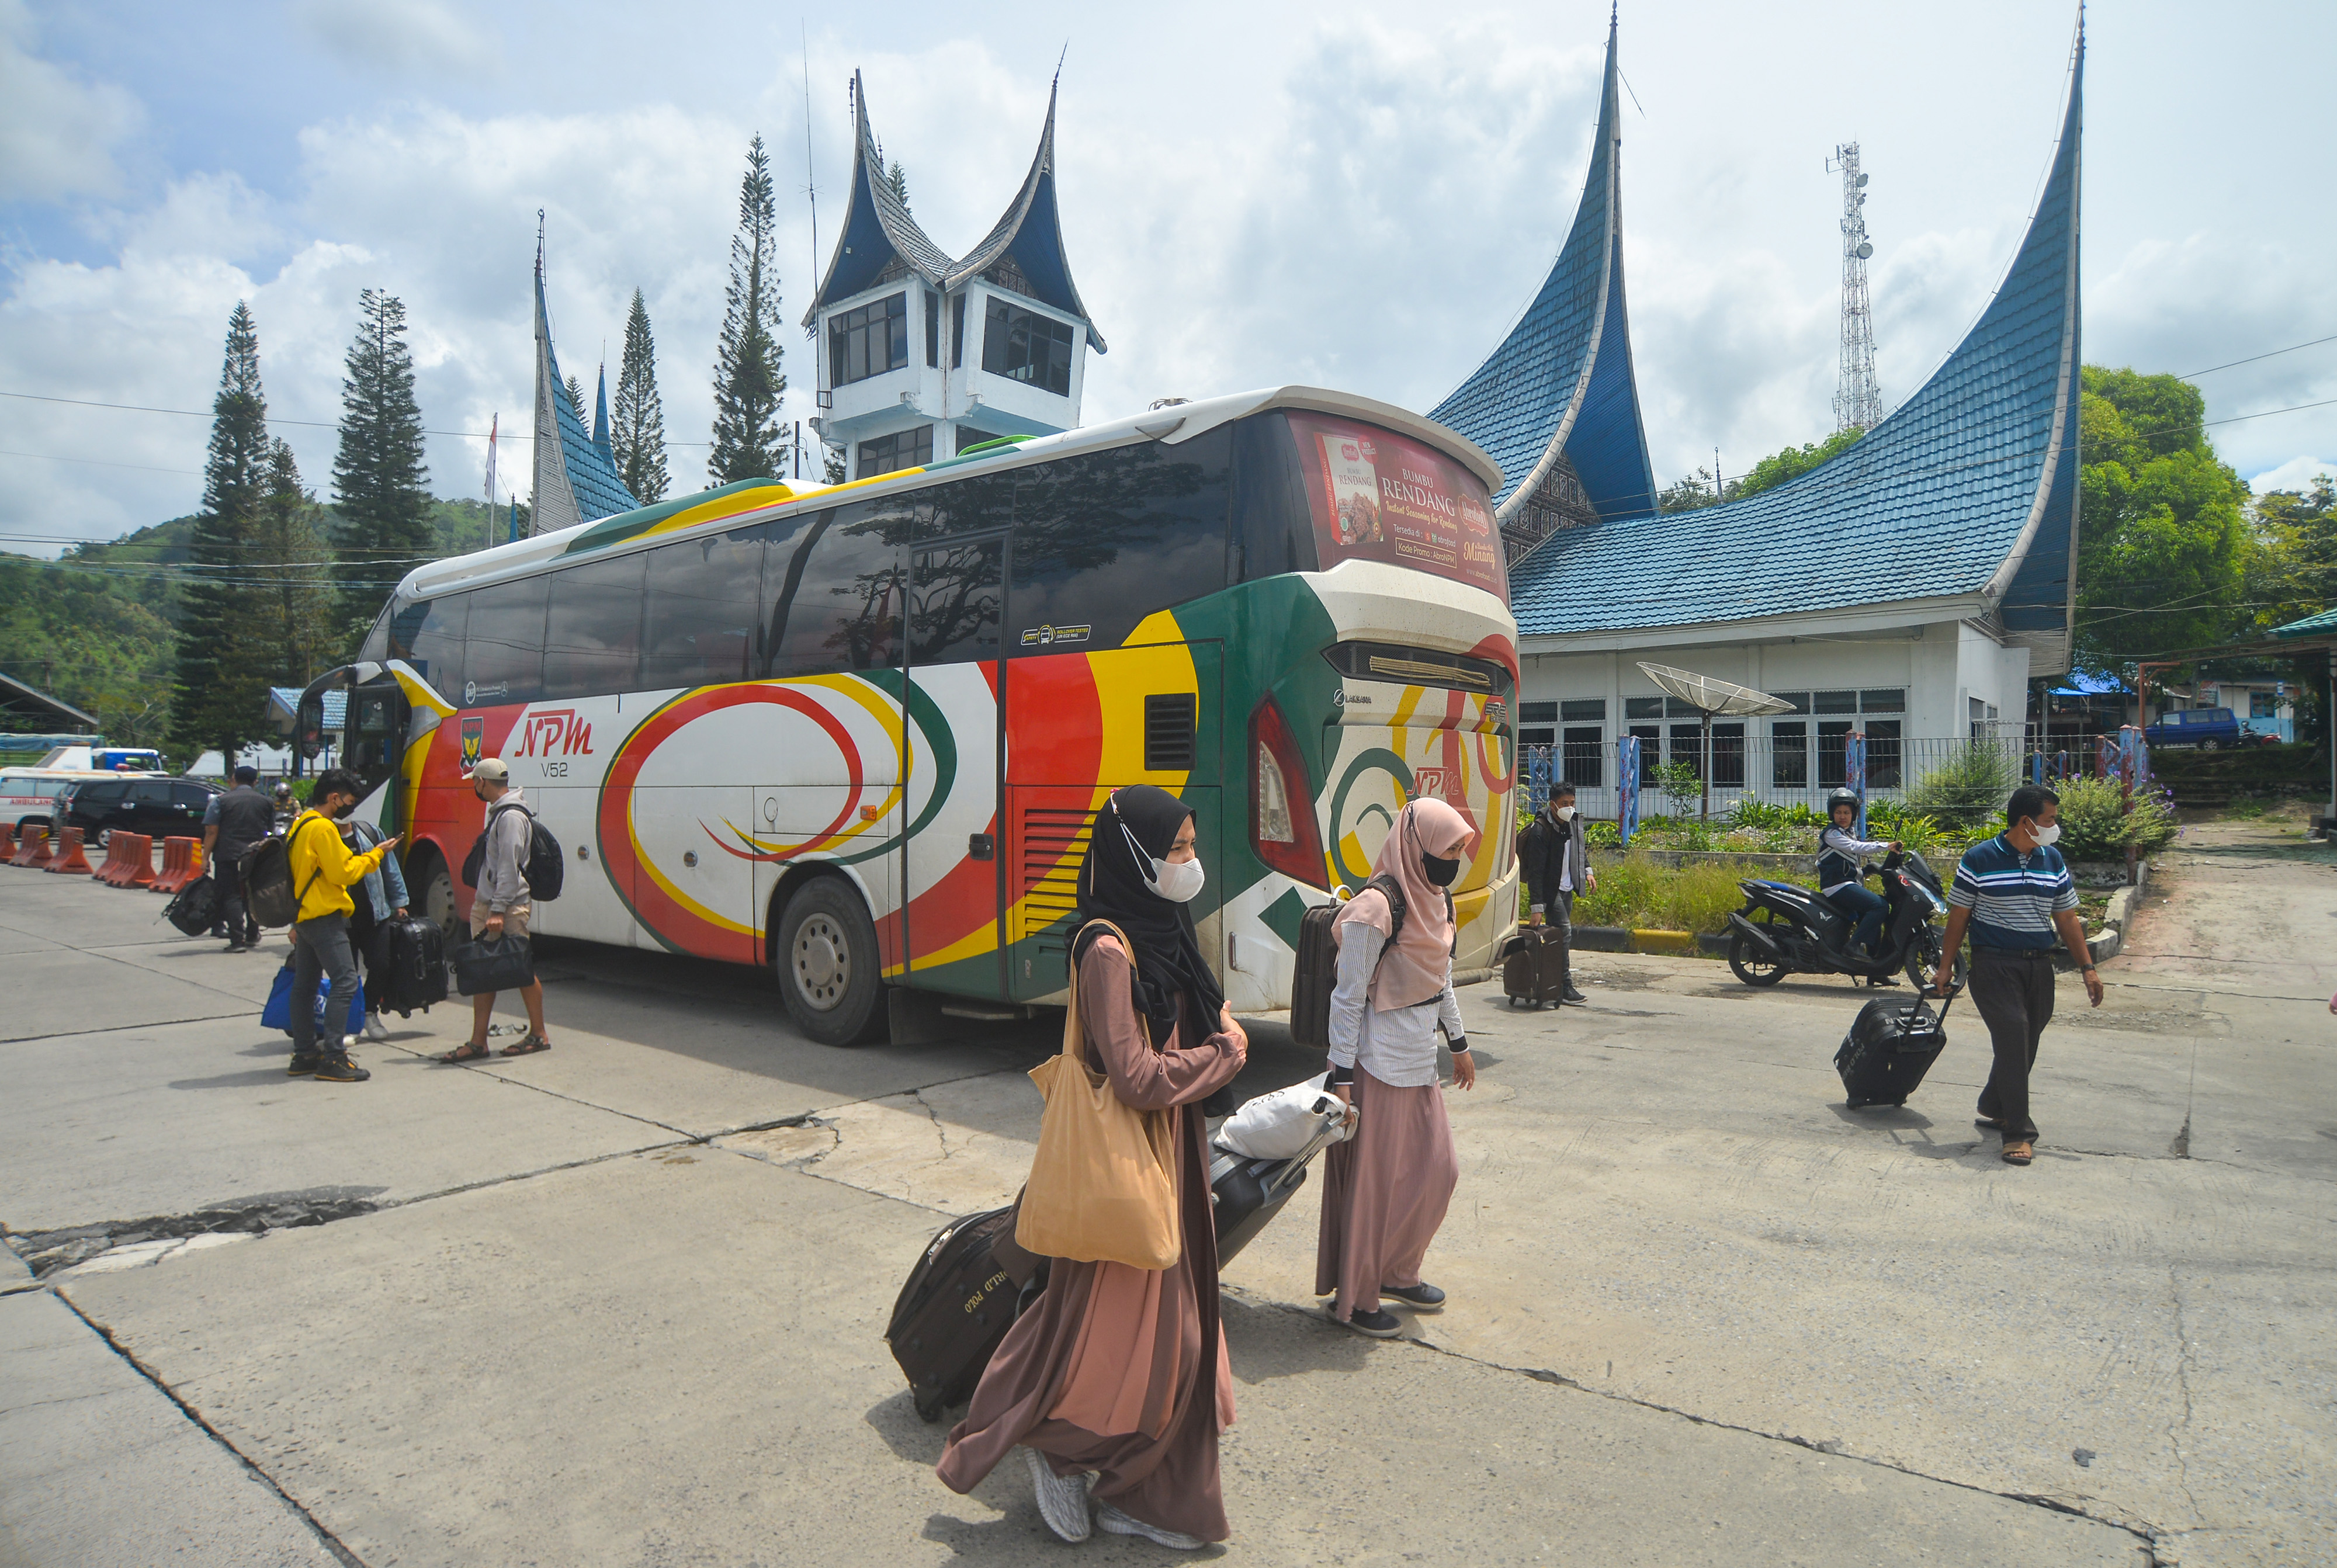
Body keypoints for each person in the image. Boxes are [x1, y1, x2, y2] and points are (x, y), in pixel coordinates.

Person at [937, 785, 1248, 1550]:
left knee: (1155, 1340)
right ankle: (1058, 1448)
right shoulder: (1109, 948)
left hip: (1168, 1149)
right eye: (1175, 850)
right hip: (1129, 1156)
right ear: (1134, 857)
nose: (1189, 862)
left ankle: (1136, 1493)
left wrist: (1208, 1050)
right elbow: (1137, 1077)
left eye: (1189, 846)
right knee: (1132, 1342)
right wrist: (1225, 1053)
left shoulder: (1162, 924)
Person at [1317, 798, 1478, 1337]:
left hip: (1417, 1058)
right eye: (1451, 848)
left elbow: (1441, 976)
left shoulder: (1438, 900)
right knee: (1375, 1187)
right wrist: (1341, 1081)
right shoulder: (1376, 908)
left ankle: (1398, 1271)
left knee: (1438, 1172)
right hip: (1374, 1061)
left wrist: (1458, 1041)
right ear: (1419, 845)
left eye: (1461, 848)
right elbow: (1346, 998)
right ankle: (1359, 1299)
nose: (1458, 858)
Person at [1931, 784, 2104, 1166]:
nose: (2054, 826)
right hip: (1994, 965)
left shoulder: (2051, 859)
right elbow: (1958, 916)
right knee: (2013, 1033)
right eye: (2050, 820)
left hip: (2039, 966)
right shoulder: (1979, 859)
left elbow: (2067, 917)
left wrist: (2088, 969)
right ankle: (2018, 1133)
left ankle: (1995, 1102)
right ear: (2026, 822)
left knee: (2027, 1039)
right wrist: (1945, 966)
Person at [282, 768, 400, 1083]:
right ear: (334, 798)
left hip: (305, 915)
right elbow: (343, 872)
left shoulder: (301, 823)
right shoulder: (323, 829)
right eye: (348, 801)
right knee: (346, 982)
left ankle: (305, 1053)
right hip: (324, 916)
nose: (350, 807)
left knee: (305, 986)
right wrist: (376, 854)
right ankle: (333, 1057)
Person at [438, 758, 550, 1061]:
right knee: (484, 970)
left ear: (483, 782)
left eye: (474, 782)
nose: (474, 787)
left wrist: (497, 909)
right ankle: (479, 1041)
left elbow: (509, 867)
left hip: (506, 907)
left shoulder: (511, 817)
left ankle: (538, 1034)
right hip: (492, 903)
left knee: (521, 968)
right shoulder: (500, 813)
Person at [1517, 779, 1596, 1004]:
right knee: (1565, 933)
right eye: (1565, 803)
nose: (1570, 807)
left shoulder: (1571, 822)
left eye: (1572, 802)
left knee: (1558, 938)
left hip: (1567, 888)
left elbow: (1579, 850)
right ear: (1553, 805)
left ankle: (1550, 983)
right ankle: (1564, 986)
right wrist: (1537, 908)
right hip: (1551, 891)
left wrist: (1587, 871)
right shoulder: (1541, 831)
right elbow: (1536, 873)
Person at [338, 811, 409, 1043]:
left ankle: (369, 1013)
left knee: (381, 966)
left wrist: (399, 903)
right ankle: (350, 1023)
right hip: (340, 922)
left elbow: (389, 869)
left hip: (375, 916)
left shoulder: (369, 833)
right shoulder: (323, 837)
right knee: (346, 977)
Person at [1816, 786, 1901, 966]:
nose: (1842, 816)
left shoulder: (1849, 832)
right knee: (1880, 906)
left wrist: (1874, 869)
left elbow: (1851, 857)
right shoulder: (1832, 834)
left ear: (1853, 814)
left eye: (1847, 812)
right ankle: (1853, 946)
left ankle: (1875, 968)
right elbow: (1856, 848)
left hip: (1847, 883)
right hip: (1836, 885)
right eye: (1838, 812)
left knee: (1874, 917)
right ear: (1832, 814)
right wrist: (1886, 845)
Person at [203, 764, 275, 952]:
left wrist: (205, 858)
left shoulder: (221, 801)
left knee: (232, 896)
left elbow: (211, 831)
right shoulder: (266, 802)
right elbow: (270, 831)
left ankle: (237, 940)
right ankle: (252, 935)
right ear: (255, 782)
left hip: (228, 855)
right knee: (253, 894)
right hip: (255, 856)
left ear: (234, 779)